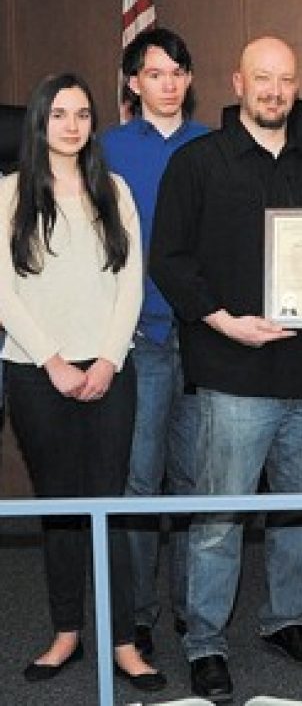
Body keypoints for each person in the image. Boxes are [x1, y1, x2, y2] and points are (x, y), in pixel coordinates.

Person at [149, 36, 302, 703]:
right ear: (237, 83)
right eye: (262, 78)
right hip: (231, 373)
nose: (274, 90)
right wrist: (224, 320)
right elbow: (169, 260)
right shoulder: (196, 163)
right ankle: (205, 642)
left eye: (285, 79)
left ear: (297, 87)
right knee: (218, 519)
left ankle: (286, 619)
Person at [0, 74, 165, 692]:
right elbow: (4, 293)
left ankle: (123, 641)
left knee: (111, 507)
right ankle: (67, 631)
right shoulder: (8, 194)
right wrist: (54, 361)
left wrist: (107, 362)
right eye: (60, 114)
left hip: (108, 372)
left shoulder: (112, 190)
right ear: (39, 122)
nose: (72, 125)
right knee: (62, 509)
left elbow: (131, 282)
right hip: (35, 373)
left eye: (83, 114)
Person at [101, 27, 209, 657]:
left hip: (200, 338)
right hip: (137, 339)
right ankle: (136, 613)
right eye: (155, 73)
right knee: (140, 483)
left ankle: (192, 610)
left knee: (196, 482)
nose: (168, 84)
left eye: (177, 72)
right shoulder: (106, 149)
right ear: (134, 83)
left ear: (189, 79)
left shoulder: (214, 146)